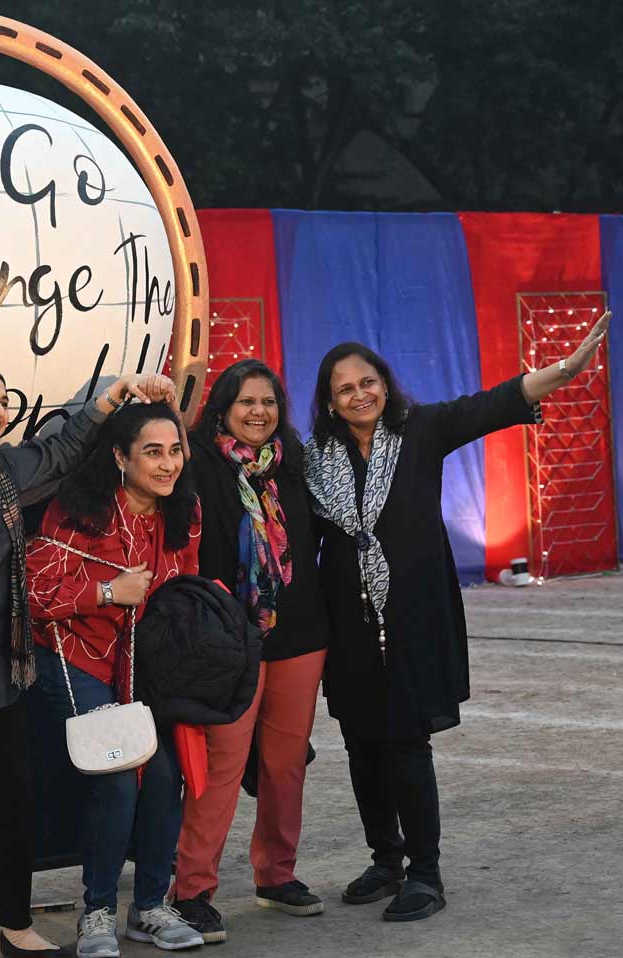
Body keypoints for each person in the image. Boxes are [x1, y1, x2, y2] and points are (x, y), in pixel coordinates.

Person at [302, 312, 611, 923]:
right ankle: (385, 860)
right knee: (363, 745)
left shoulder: (422, 430)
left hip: (414, 620)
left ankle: (426, 872)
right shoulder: (315, 461)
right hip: (349, 626)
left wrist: (568, 369)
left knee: (406, 744)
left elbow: (497, 402)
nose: (360, 394)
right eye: (345, 389)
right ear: (331, 403)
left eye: (369, 382)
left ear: (384, 385)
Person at [0, 364, 176, 958]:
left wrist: (110, 398)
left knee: (15, 801)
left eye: (4, 400)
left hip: (3, 667)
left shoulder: (2, 471)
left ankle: (15, 926)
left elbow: (62, 449)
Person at [27, 401, 204, 958]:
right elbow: (33, 597)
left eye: (174, 450)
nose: (167, 463)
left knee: (165, 773)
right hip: (77, 654)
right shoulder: (78, 510)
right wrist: (106, 592)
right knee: (119, 773)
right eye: (152, 452)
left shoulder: (184, 513)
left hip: (144, 664)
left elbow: (182, 594)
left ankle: (149, 907)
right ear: (120, 457)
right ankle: (97, 913)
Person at [169, 359, 329, 943]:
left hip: (299, 635)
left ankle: (276, 874)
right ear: (223, 408)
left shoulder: (297, 466)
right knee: (220, 769)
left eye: (268, 402)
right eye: (246, 402)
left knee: (285, 766)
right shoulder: (196, 464)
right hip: (224, 641)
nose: (258, 412)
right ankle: (191, 890)